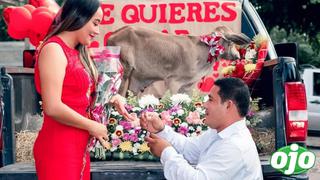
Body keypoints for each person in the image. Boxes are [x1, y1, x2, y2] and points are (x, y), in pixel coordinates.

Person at [33, 0, 133, 179]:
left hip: (78, 145)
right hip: (59, 146)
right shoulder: (54, 49)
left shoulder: (77, 52)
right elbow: (52, 106)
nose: (97, 31)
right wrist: (92, 125)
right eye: (95, 23)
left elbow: (81, 96)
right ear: (79, 16)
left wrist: (113, 97)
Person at [141, 77, 263, 180]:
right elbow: (189, 149)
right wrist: (161, 129)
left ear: (228, 106)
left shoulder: (235, 146)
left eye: (210, 100)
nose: (204, 105)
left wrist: (165, 151)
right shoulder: (219, 133)